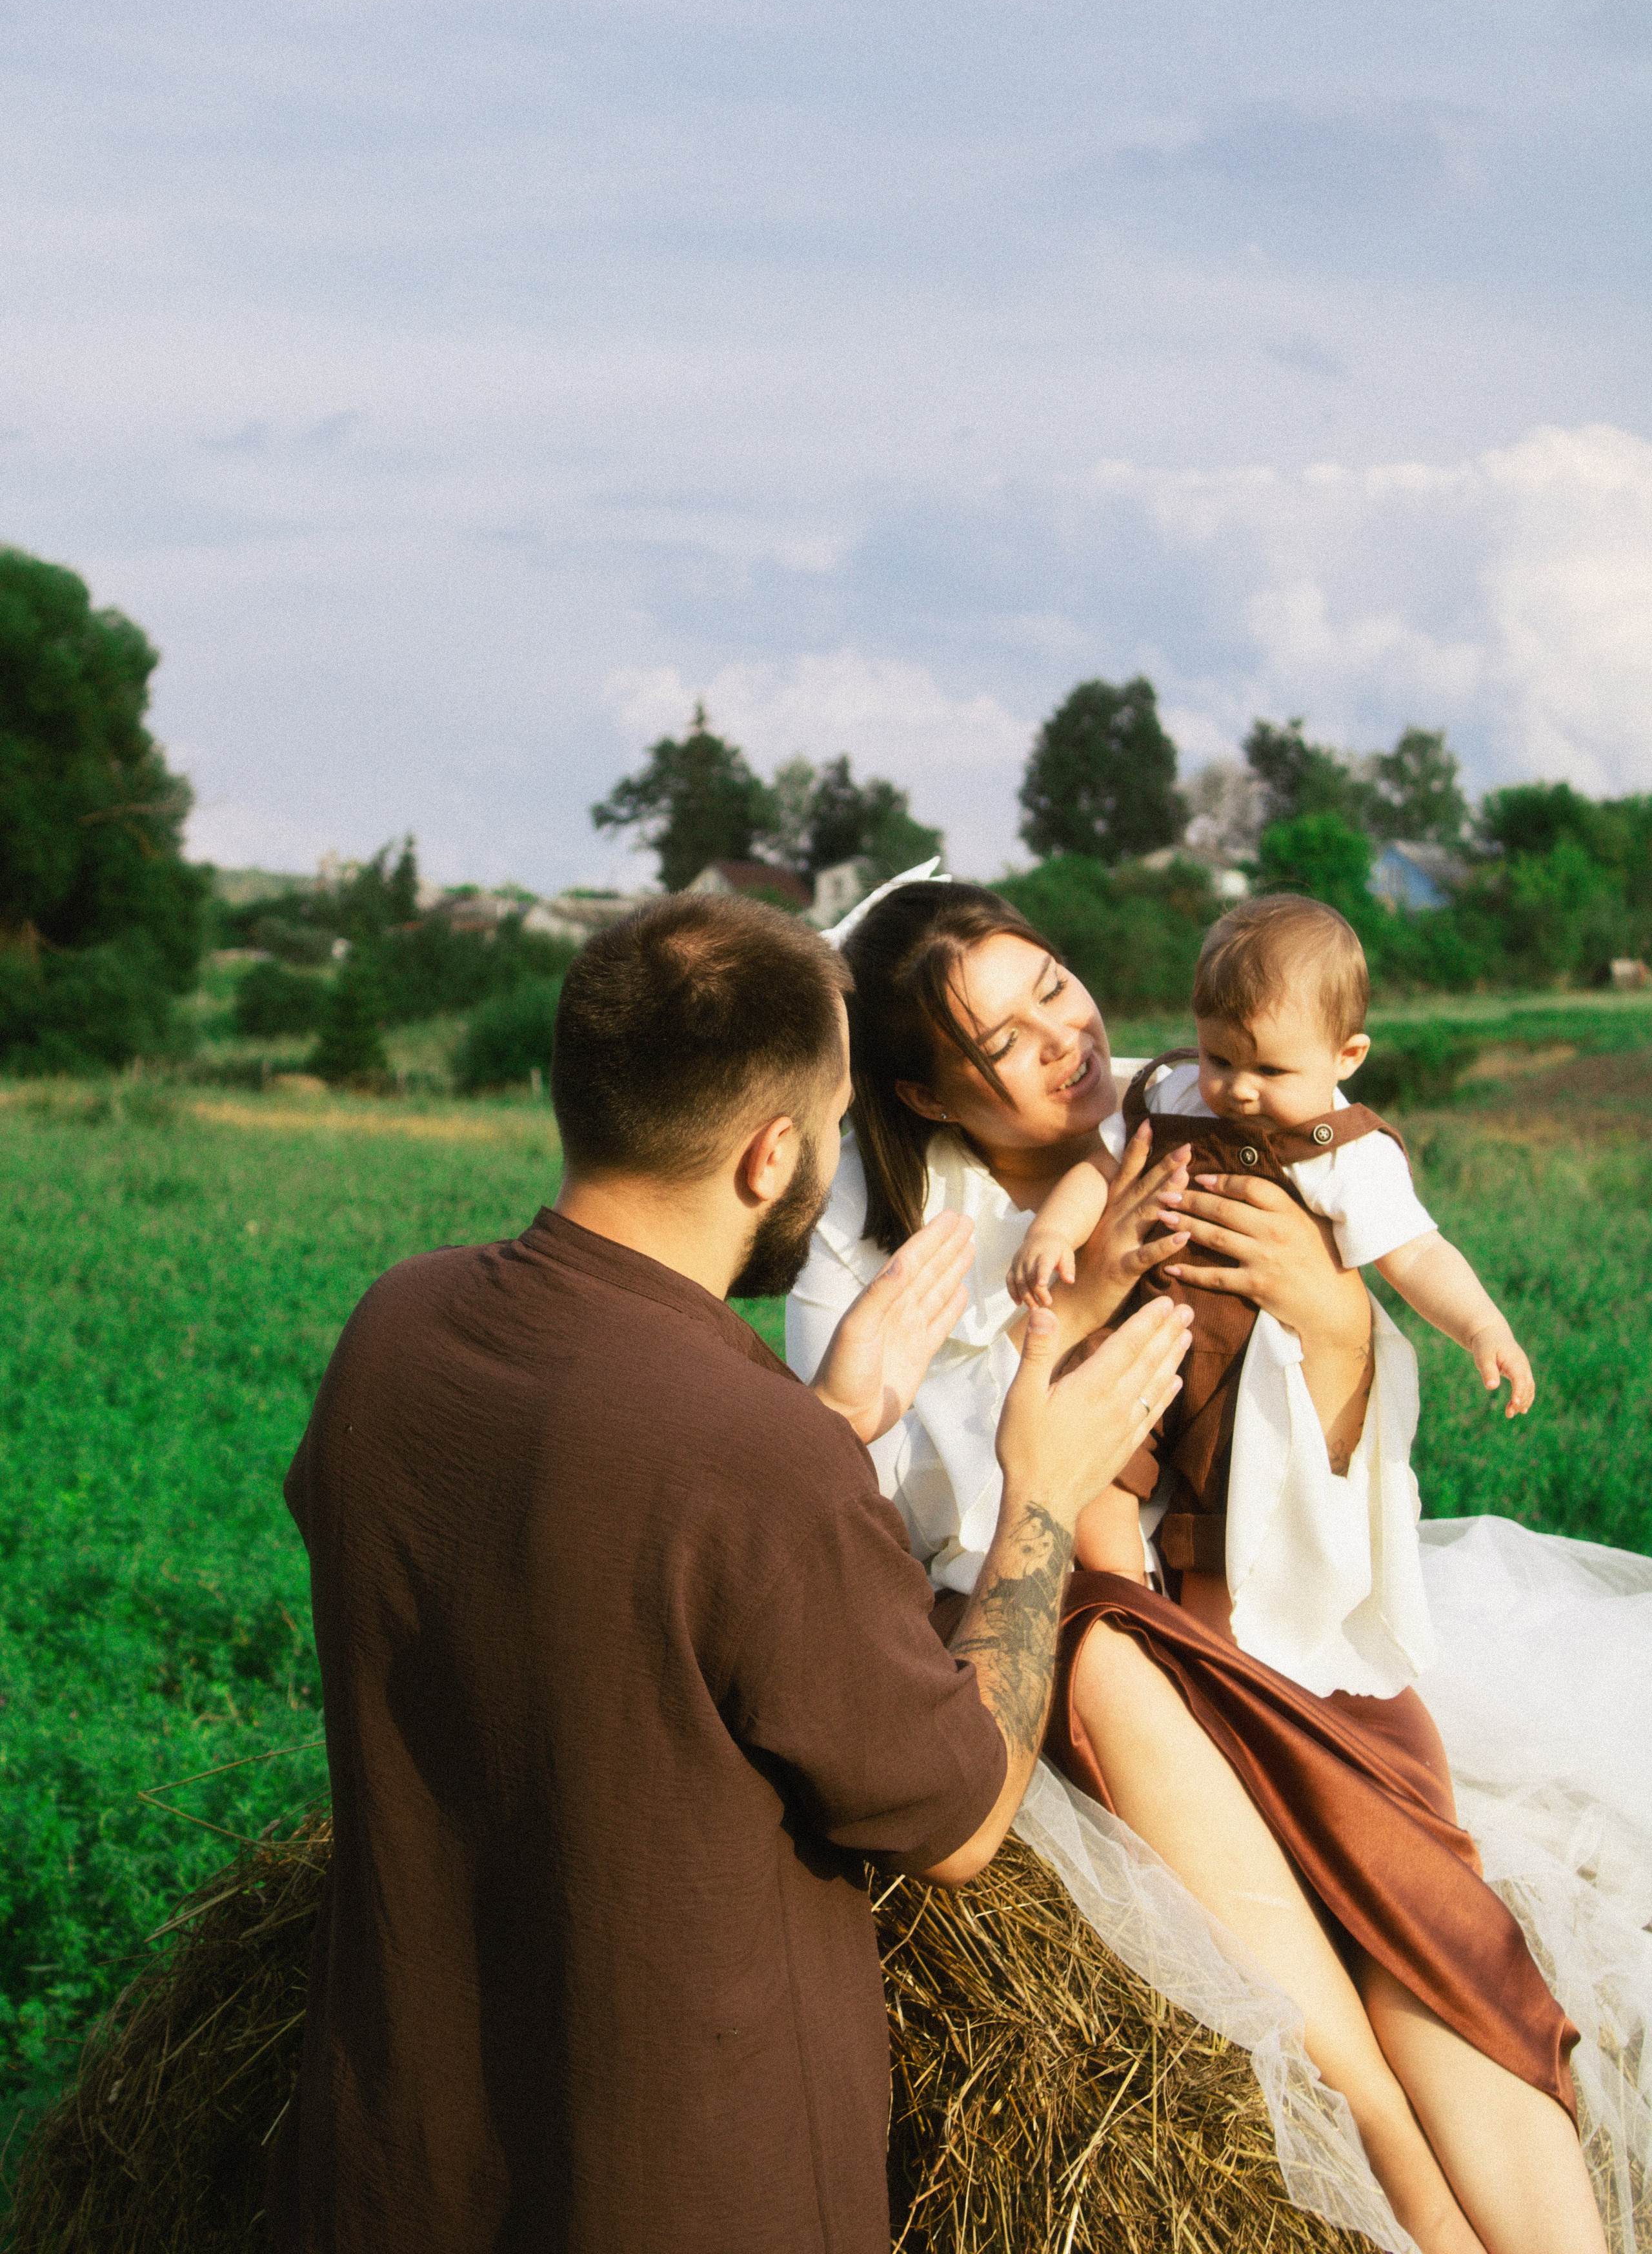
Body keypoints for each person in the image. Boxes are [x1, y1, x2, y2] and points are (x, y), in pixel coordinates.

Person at [268, 891, 1192, 2254]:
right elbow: (957, 1822)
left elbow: (594, 1550)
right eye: (825, 1135)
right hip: (684, 2191)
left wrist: (830, 1422)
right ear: (770, 1156)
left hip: (395, 2177)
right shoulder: (753, 1457)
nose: (828, 1163)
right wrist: (1038, 1500)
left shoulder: (393, 1327)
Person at [787, 877, 1609, 2254]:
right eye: (1001, 1040)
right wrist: (1091, 1296)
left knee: (1424, 1931)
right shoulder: (896, 1237)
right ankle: (1400, 2176)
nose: (1063, 1034)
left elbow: (1338, 1416)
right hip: (1074, 1611)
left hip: (1268, 1585)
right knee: (1110, 1659)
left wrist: (1333, 1321)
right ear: (929, 1095)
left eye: (1051, 982)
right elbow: (905, 1508)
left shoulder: (1207, 1113)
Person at [1003, 893, 1534, 1701]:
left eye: (1271, 1071)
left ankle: (1220, 1675)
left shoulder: (1347, 1156)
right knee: (1097, 1487)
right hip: (1134, 1340)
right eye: (1222, 1060)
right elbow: (1098, 1170)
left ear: (1346, 1056)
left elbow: (1417, 1253)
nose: (1239, 1091)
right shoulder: (1174, 1093)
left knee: (1227, 1536)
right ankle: (1126, 1612)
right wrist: (1053, 1233)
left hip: (1238, 1381)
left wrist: (1481, 1325)